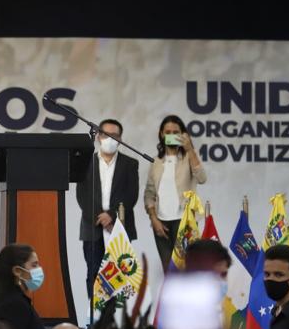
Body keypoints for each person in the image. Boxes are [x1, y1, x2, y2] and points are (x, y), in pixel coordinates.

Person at [76, 119, 140, 300]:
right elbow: (82, 195)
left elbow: (131, 196)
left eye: (115, 136)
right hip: (92, 227)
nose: (110, 139)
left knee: (119, 276)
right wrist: (100, 217)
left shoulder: (130, 164)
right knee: (94, 273)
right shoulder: (86, 163)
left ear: (121, 139)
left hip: (119, 228)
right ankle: (95, 321)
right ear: (98, 137)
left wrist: (111, 216)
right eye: (106, 135)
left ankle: (114, 322)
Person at [143, 115, 207, 273]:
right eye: (168, 132)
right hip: (161, 223)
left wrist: (190, 149)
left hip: (184, 222)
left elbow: (202, 178)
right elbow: (149, 194)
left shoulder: (188, 157)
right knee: (169, 271)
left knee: (187, 269)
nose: (171, 135)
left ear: (183, 134)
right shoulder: (156, 162)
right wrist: (153, 218)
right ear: (161, 134)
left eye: (176, 132)